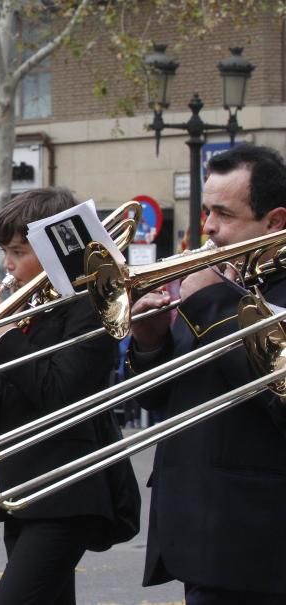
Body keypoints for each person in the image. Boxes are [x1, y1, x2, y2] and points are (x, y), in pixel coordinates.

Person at [0, 187, 139, 605]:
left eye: (18, 251)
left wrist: (3, 335)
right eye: (6, 251)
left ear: (55, 248)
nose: (8, 264)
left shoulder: (91, 307)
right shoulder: (30, 315)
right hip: (22, 493)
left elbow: (58, 391)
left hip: (67, 494)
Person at [129, 143, 286, 604]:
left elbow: (276, 392)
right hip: (195, 523)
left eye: (224, 213)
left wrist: (211, 302)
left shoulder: (220, 290)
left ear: (275, 221)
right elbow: (163, 401)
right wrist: (150, 340)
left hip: (255, 536)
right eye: (205, 212)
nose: (209, 228)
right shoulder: (223, 277)